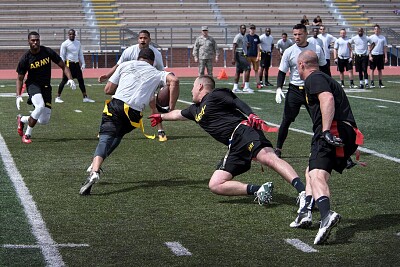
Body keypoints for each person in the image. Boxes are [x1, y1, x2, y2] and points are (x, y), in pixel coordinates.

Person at [149, 75, 308, 213]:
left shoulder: (216, 95)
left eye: (192, 87)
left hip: (243, 131)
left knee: (268, 158)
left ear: (200, 86)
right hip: (234, 145)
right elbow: (177, 114)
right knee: (215, 184)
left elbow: (237, 102)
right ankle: (259, 190)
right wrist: (161, 117)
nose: (191, 91)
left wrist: (251, 114)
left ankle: (304, 193)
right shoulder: (194, 110)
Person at [80, 48, 180, 195]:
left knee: (105, 138)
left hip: (117, 105)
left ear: (139, 57)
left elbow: (108, 90)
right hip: (134, 114)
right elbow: (175, 80)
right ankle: (96, 164)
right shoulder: (157, 73)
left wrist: (126, 85)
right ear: (152, 61)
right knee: (117, 136)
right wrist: (171, 107)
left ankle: (94, 172)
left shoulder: (125, 65)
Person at [295, 50, 362, 244]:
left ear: (301, 65)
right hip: (344, 133)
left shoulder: (313, 78)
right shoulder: (323, 77)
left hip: (333, 130)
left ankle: (326, 216)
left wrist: (325, 131)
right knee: (312, 171)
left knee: (316, 174)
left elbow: (327, 99)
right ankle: (306, 212)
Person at [98, 30, 168, 141]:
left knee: (153, 105)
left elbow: (161, 71)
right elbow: (118, 65)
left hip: (146, 84)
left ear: (149, 39)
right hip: (129, 83)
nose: (143, 40)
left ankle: (160, 130)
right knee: (113, 101)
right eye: (141, 38)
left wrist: (163, 87)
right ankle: (106, 129)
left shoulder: (156, 54)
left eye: (145, 38)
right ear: (138, 39)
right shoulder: (129, 51)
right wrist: (107, 75)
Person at [275, 24, 327, 158]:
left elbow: (324, 68)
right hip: (295, 89)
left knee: (318, 120)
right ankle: (278, 148)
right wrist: (279, 88)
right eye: (295, 34)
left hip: (312, 89)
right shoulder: (289, 51)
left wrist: (327, 86)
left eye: (300, 34)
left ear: (306, 34)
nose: (297, 37)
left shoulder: (316, 48)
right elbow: (282, 71)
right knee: (286, 120)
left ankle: (316, 148)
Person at [16, 31, 76, 144]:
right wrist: (18, 95)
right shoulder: (25, 58)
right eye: (33, 40)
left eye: (37, 40)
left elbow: (63, 65)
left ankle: (22, 119)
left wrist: (70, 78)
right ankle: (27, 135)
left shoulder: (47, 51)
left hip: (46, 87)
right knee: (39, 106)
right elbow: (19, 78)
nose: (35, 42)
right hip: (33, 85)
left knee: (43, 120)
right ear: (28, 41)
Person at [56, 29, 94, 103]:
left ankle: (85, 97)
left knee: (81, 80)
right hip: (68, 64)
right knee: (64, 81)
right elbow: (62, 56)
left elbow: (80, 54)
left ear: (75, 35)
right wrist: (63, 67)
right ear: (68, 35)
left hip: (76, 64)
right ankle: (58, 97)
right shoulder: (65, 44)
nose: (72, 35)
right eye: (70, 34)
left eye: (73, 34)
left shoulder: (78, 43)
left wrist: (83, 63)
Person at [231, 24, 253, 93]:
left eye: (244, 28)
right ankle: (246, 87)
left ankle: (235, 88)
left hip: (243, 54)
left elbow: (246, 46)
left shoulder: (245, 37)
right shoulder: (238, 36)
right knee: (248, 68)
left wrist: (248, 46)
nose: (244, 30)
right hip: (239, 54)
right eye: (242, 28)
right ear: (240, 29)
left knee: (238, 71)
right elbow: (234, 47)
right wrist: (233, 58)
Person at [245, 24, 261, 88]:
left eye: (253, 29)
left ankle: (258, 83)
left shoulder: (257, 37)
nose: (252, 30)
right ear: (249, 29)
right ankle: (244, 83)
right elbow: (244, 46)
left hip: (255, 56)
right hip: (248, 55)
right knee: (246, 70)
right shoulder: (247, 37)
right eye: (251, 29)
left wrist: (258, 56)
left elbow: (258, 47)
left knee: (256, 70)